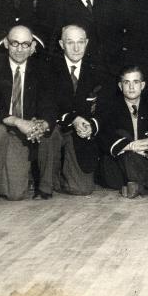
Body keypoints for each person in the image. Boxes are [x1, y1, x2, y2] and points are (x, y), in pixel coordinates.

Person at [0, 25, 56, 205]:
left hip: (23, 130)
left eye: (25, 44)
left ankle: (9, 178)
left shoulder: (42, 69)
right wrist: (17, 121)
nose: (20, 49)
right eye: (15, 43)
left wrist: (42, 124)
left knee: (16, 194)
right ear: (6, 43)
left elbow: (49, 104)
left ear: (33, 46)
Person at [44, 24, 107, 195]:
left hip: (81, 131)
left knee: (82, 189)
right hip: (58, 125)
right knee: (49, 132)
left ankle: (67, 178)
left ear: (87, 42)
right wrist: (73, 118)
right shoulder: (48, 68)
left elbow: (104, 108)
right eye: (70, 42)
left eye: (80, 42)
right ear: (61, 44)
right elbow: (47, 105)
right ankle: (49, 178)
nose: (76, 47)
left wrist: (91, 125)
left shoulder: (98, 69)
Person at [97, 65, 148, 200]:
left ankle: (136, 186)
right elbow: (104, 135)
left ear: (142, 85)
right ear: (120, 86)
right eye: (127, 82)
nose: (131, 87)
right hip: (120, 167)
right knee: (123, 136)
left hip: (147, 159)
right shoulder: (110, 106)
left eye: (135, 82)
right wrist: (131, 146)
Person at [49, 0, 108, 67]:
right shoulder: (59, 5)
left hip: (106, 68)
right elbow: (53, 44)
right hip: (78, 69)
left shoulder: (108, 2)